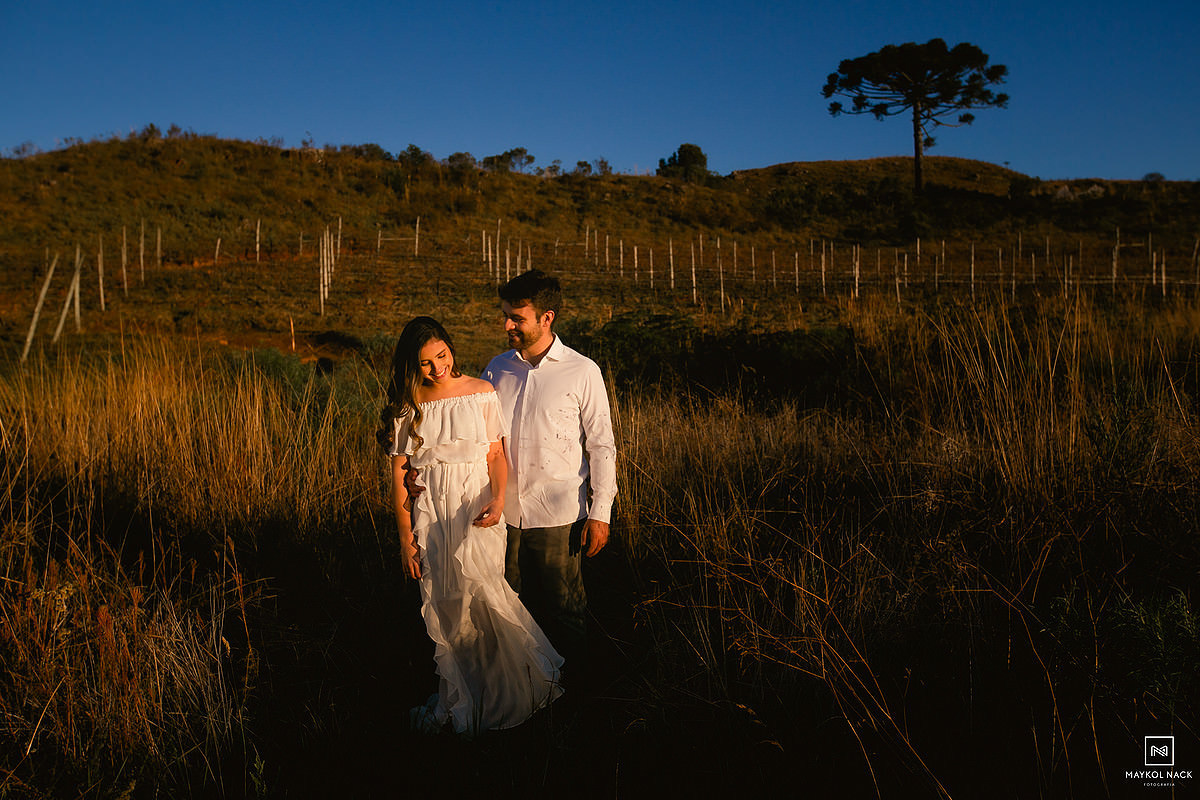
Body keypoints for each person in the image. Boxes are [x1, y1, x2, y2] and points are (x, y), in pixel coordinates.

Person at [410, 270, 617, 673]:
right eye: (505, 315)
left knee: (564, 610)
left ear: (546, 318)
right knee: (505, 607)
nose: (507, 325)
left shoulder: (582, 371)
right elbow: (470, 434)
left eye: (517, 318)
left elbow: (601, 445)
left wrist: (601, 512)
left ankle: (575, 695)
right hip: (498, 516)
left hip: (557, 515)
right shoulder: (496, 369)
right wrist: (424, 473)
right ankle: (521, 692)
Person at [382, 316, 562, 736]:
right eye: (425, 362)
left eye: (441, 355)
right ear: (413, 365)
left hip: (475, 510)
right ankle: (465, 698)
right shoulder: (409, 406)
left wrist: (499, 498)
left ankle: (512, 696)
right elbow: (398, 475)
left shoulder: (481, 393)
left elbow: (496, 455)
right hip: (432, 517)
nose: (437, 367)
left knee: (485, 598)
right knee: (448, 605)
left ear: (451, 348)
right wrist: (405, 539)